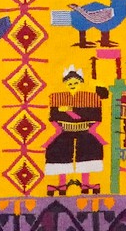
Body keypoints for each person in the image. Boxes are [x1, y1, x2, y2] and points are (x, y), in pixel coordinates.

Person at [45, 67, 109, 195]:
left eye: (75, 82)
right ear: (65, 84)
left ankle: (85, 183)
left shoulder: (89, 97)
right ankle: (62, 184)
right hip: (64, 130)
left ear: (81, 83)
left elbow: (94, 116)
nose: (72, 85)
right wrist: (60, 124)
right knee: (59, 151)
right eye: (69, 83)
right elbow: (53, 117)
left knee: (88, 151)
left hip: (85, 130)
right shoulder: (58, 97)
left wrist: (70, 111)